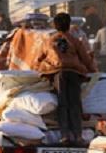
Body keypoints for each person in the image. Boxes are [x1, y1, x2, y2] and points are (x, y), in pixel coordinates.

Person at [35, 12, 97, 145]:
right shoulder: (75, 41)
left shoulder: (47, 42)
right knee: (75, 104)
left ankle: (65, 135)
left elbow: (38, 60)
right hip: (74, 73)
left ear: (54, 25)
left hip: (57, 74)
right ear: (69, 25)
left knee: (62, 104)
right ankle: (78, 136)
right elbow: (86, 60)